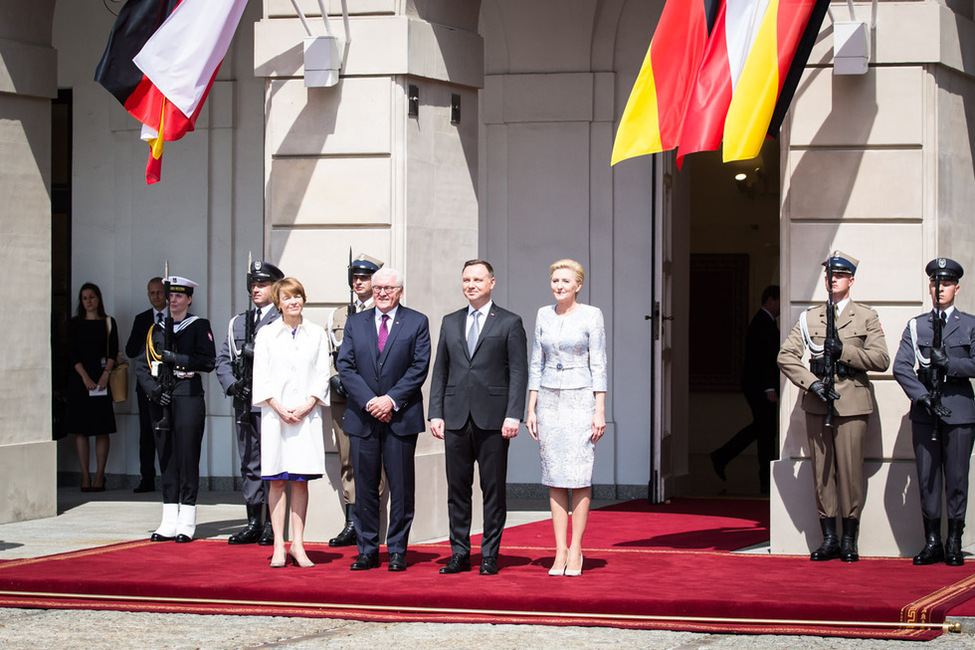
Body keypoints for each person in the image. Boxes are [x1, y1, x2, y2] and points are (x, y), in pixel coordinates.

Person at [778, 251, 889, 562]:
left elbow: (881, 359)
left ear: (851, 280)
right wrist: (810, 383)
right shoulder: (809, 317)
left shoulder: (866, 316)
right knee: (822, 473)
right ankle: (829, 538)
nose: (833, 279)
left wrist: (844, 352)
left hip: (852, 403)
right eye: (829, 274)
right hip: (818, 401)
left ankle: (849, 538)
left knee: (851, 472)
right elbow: (786, 356)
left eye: (839, 275)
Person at [429, 259, 529, 576]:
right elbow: (440, 371)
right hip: (456, 418)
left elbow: (518, 373)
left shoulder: (510, 323)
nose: (471, 285)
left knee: (493, 490)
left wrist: (514, 414)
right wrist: (435, 413)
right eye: (467, 280)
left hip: (494, 420)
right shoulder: (450, 321)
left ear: (492, 282)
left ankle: (489, 554)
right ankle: (459, 552)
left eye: (478, 279)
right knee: (457, 490)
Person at [337, 267, 431, 572]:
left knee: (402, 486)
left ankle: (398, 549)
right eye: (377, 288)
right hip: (363, 418)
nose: (381, 293)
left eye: (388, 288)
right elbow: (346, 367)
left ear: (400, 291)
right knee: (364, 486)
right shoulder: (355, 322)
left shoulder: (416, 322)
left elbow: (418, 367)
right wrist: (370, 402)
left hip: (400, 417)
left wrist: (390, 400)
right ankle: (367, 549)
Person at [526, 259, 607, 577]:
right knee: (554, 476)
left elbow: (598, 362)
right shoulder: (543, 314)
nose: (559, 285)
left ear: (578, 285)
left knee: (579, 475)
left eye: (565, 281)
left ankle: (576, 549)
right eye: (555, 280)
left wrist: (599, 409)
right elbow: (536, 359)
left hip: (580, 399)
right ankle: (558, 550)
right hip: (548, 400)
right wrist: (530, 407)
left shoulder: (592, 314)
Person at [893, 258, 975, 566]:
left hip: (958, 409)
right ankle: (932, 541)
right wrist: (922, 396)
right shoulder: (917, 326)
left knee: (956, 478)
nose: (939, 288)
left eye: (945, 283)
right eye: (935, 283)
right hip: (927, 410)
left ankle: (953, 540)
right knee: (927, 477)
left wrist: (950, 364)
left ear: (956, 288)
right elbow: (900, 366)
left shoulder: (969, 324)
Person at [252, 277, 330, 568]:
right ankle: (278, 545)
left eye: (297, 296)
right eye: (287, 298)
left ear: (303, 299)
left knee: (299, 481)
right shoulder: (267, 334)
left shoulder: (316, 334)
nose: (293, 302)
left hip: (305, 416)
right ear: (278, 303)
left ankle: (298, 543)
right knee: (277, 481)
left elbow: (323, 373)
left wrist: (309, 404)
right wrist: (278, 406)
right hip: (277, 416)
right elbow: (260, 376)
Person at [135, 276, 216, 543]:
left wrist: (177, 360)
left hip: (188, 395)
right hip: (162, 398)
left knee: (187, 456)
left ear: (189, 299)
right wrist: (152, 390)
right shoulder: (155, 329)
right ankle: (169, 519)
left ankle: (187, 520)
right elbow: (142, 366)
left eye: (179, 296)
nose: (173, 300)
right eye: (171, 296)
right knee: (166, 457)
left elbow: (207, 361)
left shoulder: (198, 326)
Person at [215, 260, 284, 546]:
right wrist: (232, 385)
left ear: (275, 287)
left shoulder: (282, 320)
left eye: (262, 284)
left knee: (271, 463)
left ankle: (271, 524)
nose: (256, 289)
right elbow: (223, 359)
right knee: (249, 462)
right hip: (244, 402)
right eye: (253, 285)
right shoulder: (238, 322)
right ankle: (253, 521)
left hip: (269, 404)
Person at [326, 253, 384, 548]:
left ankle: (368, 519)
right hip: (343, 398)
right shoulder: (338, 315)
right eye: (355, 277)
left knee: (376, 463)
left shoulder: (384, 313)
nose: (358, 282)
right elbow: (330, 353)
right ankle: (352, 521)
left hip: (373, 399)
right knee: (348, 459)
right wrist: (333, 375)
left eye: (365, 277)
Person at [711, 285, 781, 494]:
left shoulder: (765, 322)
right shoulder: (763, 323)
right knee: (765, 431)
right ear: (770, 300)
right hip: (760, 386)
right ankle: (764, 481)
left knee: (763, 430)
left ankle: (723, 457)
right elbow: (764, 359)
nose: (780, 307)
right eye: (778, 302)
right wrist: (769, 387)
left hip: (757, 385)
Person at [67, 282, 118, 492]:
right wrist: (85, 377)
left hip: (102, 381)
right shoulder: (74, 324)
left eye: (92, 296)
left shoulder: (108, 322)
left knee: (101, 429)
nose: (88, 301)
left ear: (99, 298)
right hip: (81, 380)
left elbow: (113, 351)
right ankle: (85, 475)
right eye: (84, 297)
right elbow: (71, 353)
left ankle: (99, 476)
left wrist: (105, 375)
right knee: (81, 431)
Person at [125, 277, 168, 493]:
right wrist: (148, 333)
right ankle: (147, 478)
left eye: (159, 292)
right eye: (151, 293)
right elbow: (130, 351)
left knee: (170, 433)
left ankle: (170, 477)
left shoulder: (175, 316)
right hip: (146, 384)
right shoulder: (142, 319)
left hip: (169, 385)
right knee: (146, 433)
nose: (155, 297)